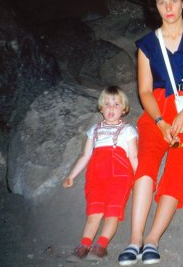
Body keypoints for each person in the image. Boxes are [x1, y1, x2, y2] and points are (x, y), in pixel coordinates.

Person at [118, 0, 183, 265]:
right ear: (155, 7)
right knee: (146, 162)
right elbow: (144, 90)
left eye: (173, 0)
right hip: (157, 109)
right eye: (162, 2)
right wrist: (159, 121)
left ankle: (152, 239)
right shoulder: (147, 44)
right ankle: (135, 239)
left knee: (178, 168)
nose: (168, 7)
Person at [63, 86, 138, 262]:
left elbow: (133, 156)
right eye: (107, 104)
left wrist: (139, 177)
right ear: (101, 108)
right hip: (95, 177)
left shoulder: (128, 130)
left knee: (112, 213)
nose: (111, 108)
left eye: (116, 104)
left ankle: (101, 246)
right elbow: (86, 155)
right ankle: (84, 244)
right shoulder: (94, 130)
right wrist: (72, 175)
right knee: (94, 212)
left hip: (119, 177)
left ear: (124, 109)